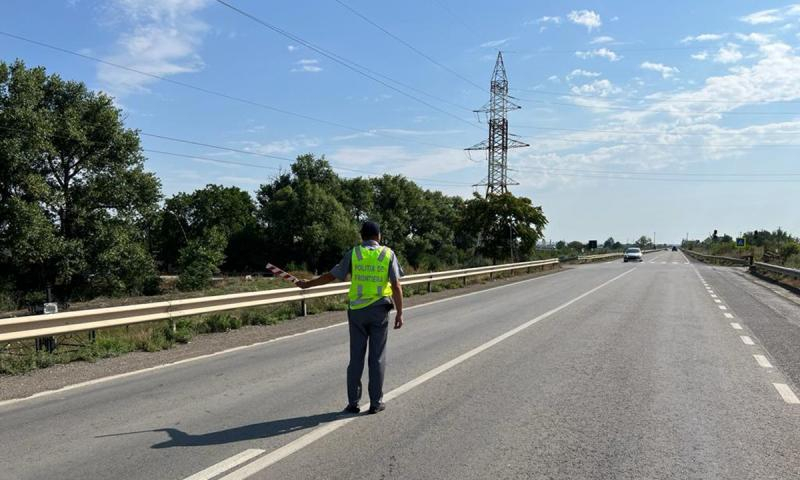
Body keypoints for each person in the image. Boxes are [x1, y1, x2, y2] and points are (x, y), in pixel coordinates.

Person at [296, 221, 404, 414]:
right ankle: (375, 403)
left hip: (357, 311)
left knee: (356, 358)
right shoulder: (388, 254)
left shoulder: (354, 253)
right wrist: (400, 313)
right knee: (377, 358)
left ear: (361, 236)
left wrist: (308, 284)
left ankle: (353, 403)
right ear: (379, 236)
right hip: (379, 310)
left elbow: (332, 275)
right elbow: (396, 285)